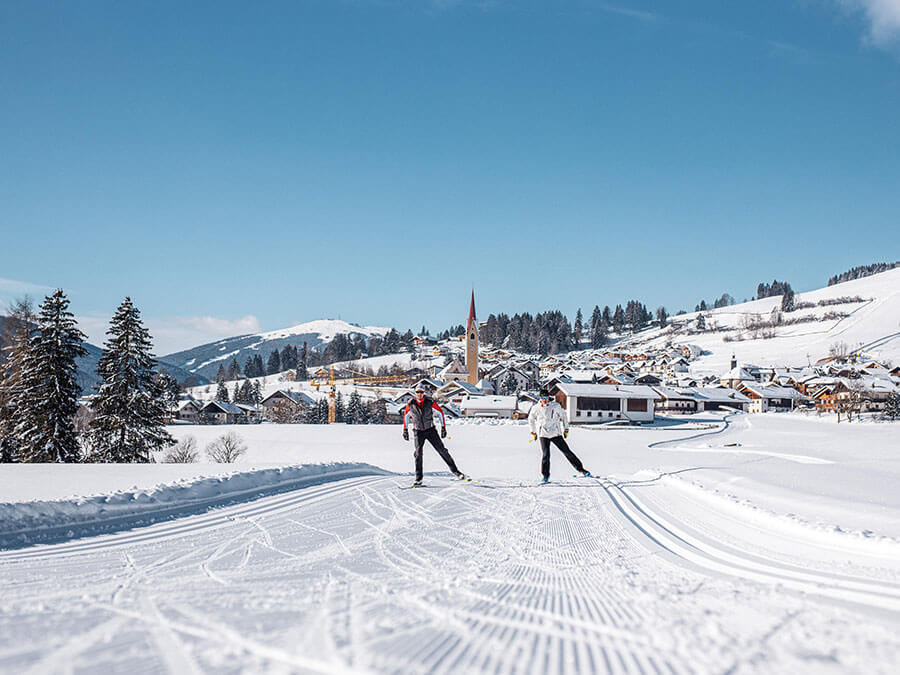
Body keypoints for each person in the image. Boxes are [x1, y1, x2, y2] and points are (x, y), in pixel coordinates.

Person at [403, 386, 467, 486]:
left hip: (430, 430)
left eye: (421, 392)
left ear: (424, 393)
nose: (419, 394)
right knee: (418, 454)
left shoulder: (429, 402)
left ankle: (456, 472)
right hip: (418, 431)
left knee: (442, 450)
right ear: (414, 393)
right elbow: (406, 416)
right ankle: (418, 478)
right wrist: (405, 430)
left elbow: (440, 413)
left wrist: (443, 427)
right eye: (417, 392)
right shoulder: (411, 403)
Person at [528, 388, 591, 483]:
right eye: (543, 397)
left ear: (548, 397)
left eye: (546, 397)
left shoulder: (555, 406)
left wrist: (566, 429)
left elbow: (564, 417)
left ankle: (581, 470)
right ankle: (545, 476)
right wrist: (533, 432)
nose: (544, 399)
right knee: (546, 455)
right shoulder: (536, 408)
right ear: (540, 398)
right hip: (543, 434)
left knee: (567, 452)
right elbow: (531, 419)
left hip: (555, 433)